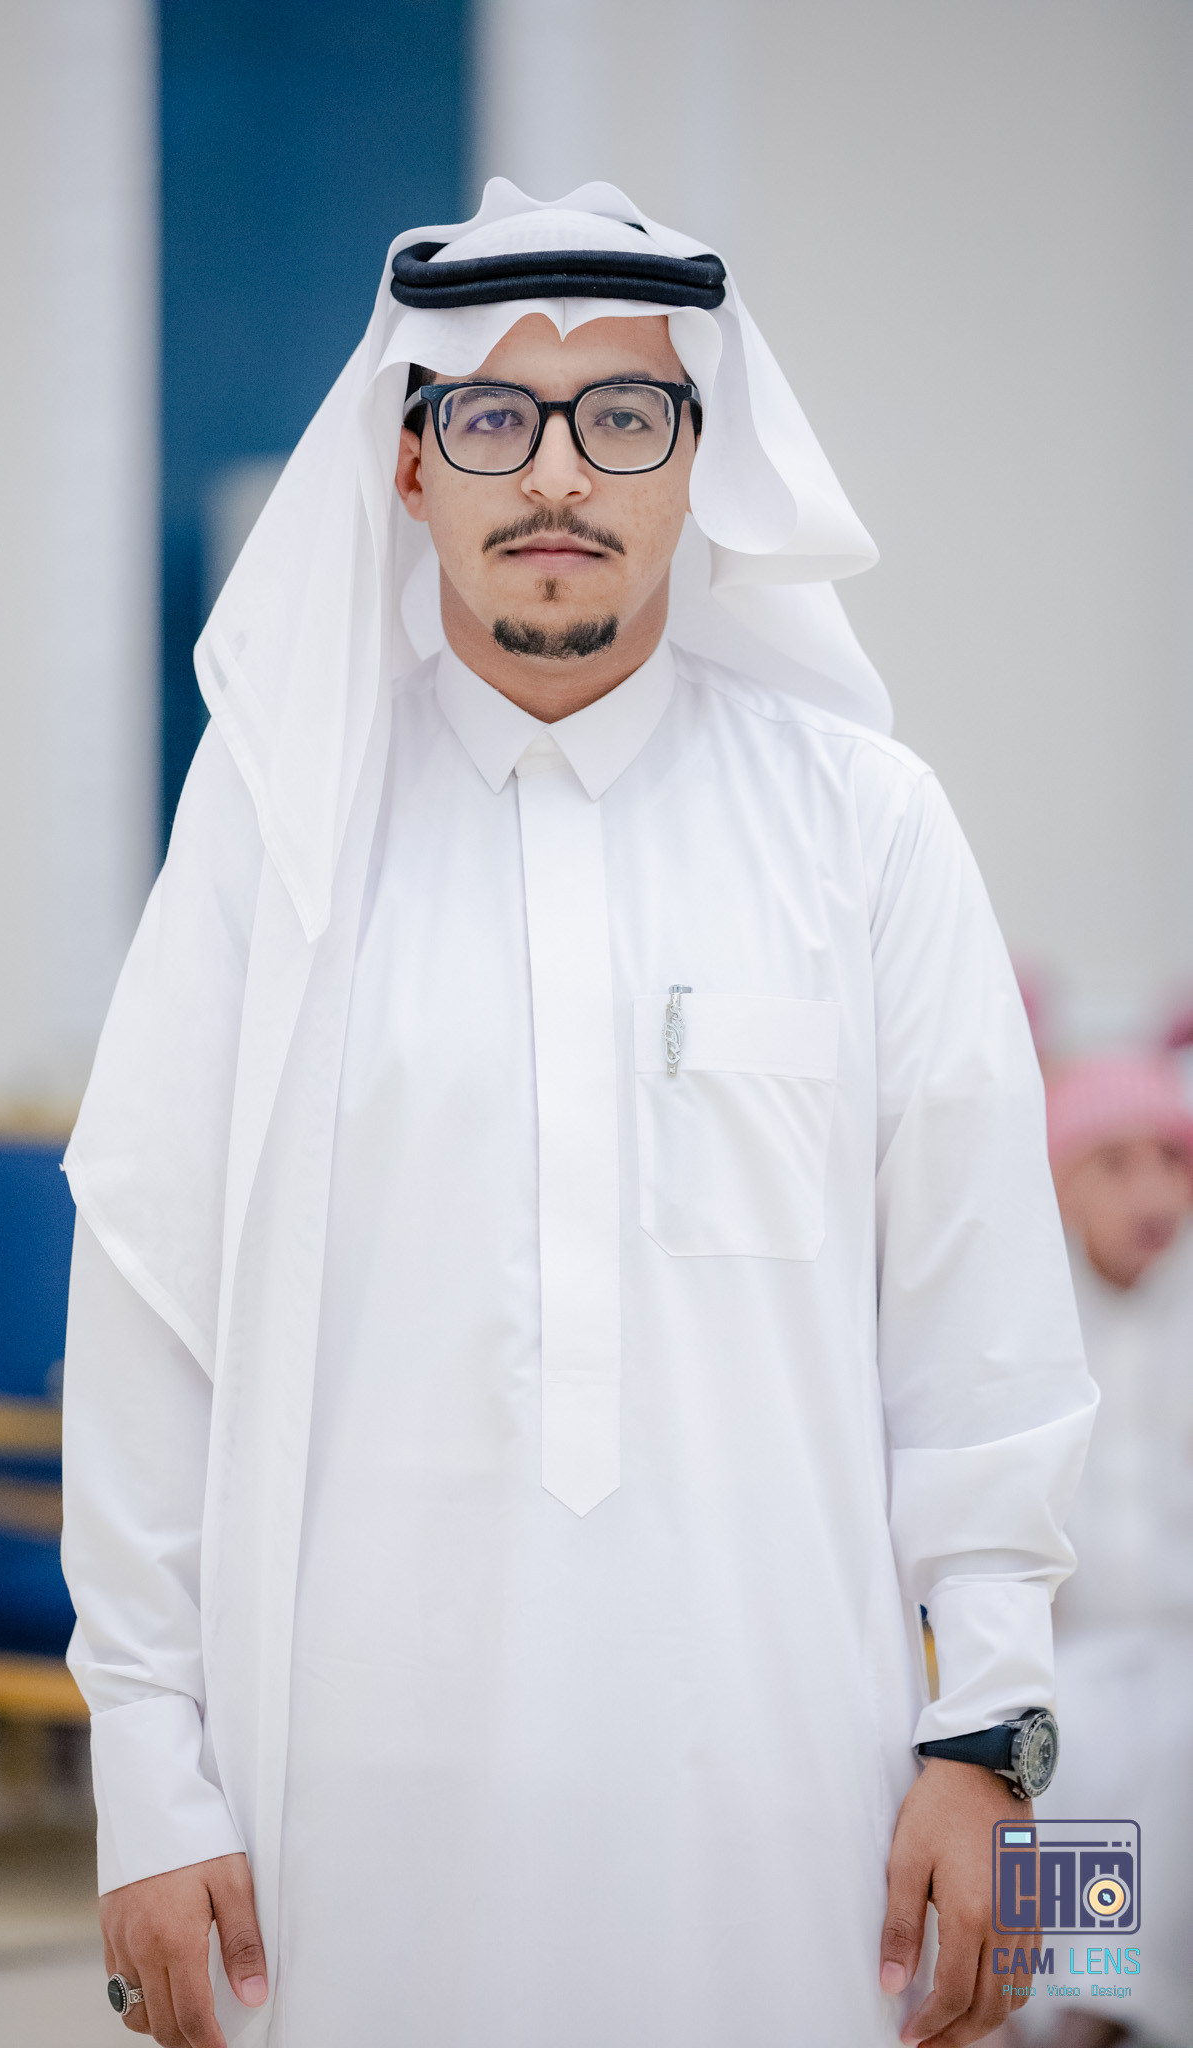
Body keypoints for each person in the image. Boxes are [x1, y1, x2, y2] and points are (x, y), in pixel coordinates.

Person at [60, 182, 1096, 2048]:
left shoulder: (866, 825)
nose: (557, 474)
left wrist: (993, 1744)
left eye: (621, 417)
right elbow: (147, 1312)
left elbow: (987, 1329)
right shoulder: (278, 836)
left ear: (701, 462)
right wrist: (145, 1770)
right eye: (492, 418)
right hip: (346, 1811)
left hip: (800, 1788)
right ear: (408, 467)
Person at [1023, 1055, 1193, 2048]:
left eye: (1172, 1158)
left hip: (1179, 1656)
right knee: (1066, 1749)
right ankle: (1069, 2014)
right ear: (1059, 1181)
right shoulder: (1029, 1323)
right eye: (1115, 1161)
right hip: (1065, 1661)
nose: (1154, 1190)